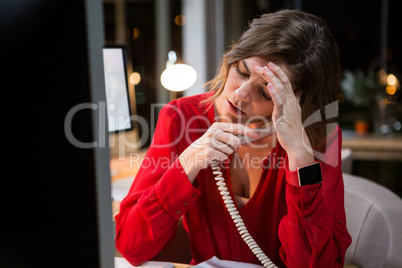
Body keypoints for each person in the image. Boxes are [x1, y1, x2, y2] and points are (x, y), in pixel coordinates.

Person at [115, 9, 352, 268]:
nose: (240, 94)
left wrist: (300, 156)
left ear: (300, 102)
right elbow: (130, 245)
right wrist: (188, 163)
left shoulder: (319, 140)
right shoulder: (180, 118)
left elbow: (320, 264)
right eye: (241, 70)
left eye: (266, 91)